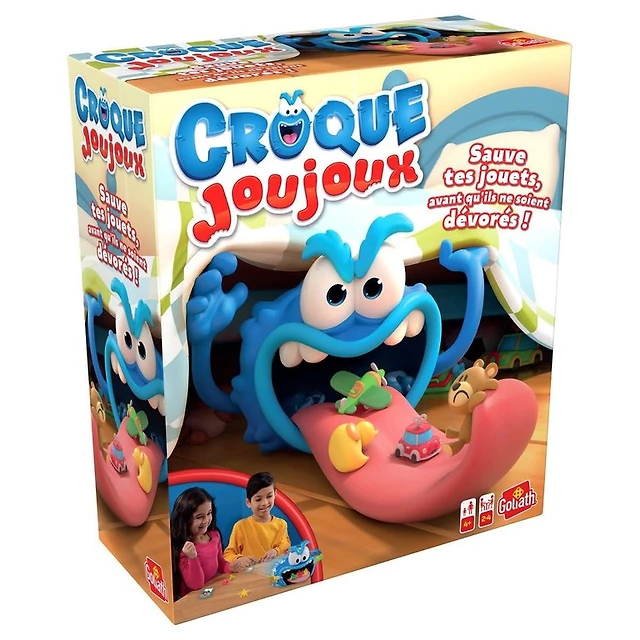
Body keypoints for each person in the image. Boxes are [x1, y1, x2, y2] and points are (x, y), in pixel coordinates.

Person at [170, 487, 240, 600]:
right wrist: (192, 557)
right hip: (192, 599)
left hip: (211, 590)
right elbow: (196, 585)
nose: (206, 520)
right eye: (199, 517)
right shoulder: (185, 549)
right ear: (185, 519)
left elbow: (220, 562)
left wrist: (229, 567)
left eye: (209, 513)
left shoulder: (214, 535)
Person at [223, 471, 291, 569]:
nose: (265, 503)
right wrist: (239, 559)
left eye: (269, 496)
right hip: (248, 574)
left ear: (275, 494)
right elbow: (228, 555)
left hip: (273, 573)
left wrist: (276, 551)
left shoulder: (281, 524)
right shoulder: (240, 526)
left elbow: (286, 546)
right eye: (258, 499)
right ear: (248, 502)